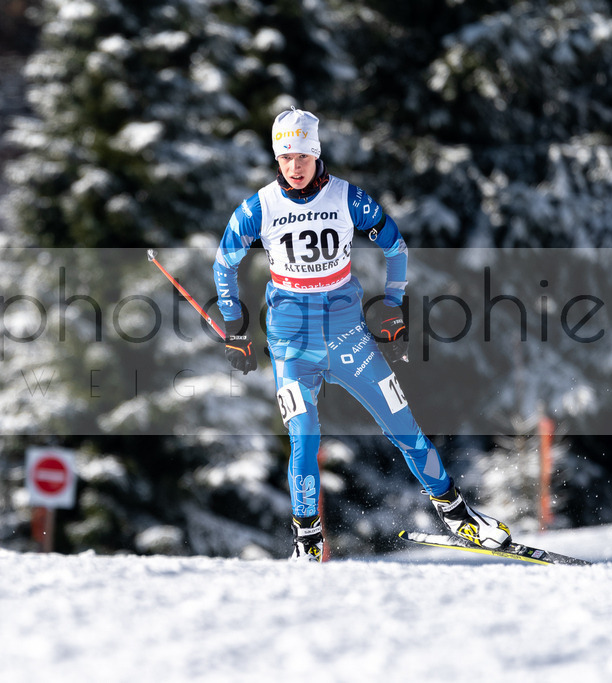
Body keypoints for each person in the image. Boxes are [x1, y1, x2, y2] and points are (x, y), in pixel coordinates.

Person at [213, 107, 511, 562]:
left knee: (403, 425)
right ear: (277, 159)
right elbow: (223, 263)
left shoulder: (347, 198)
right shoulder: (259, 207)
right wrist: (234, 325)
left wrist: (393, 306)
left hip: (347, 334)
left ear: (317, 153)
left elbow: (395, 245)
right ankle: (307, 541)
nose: (294, 167)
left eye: (303, 157)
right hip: (291, 340)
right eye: (286, 157)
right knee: (304, 436)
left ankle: (458, 516)